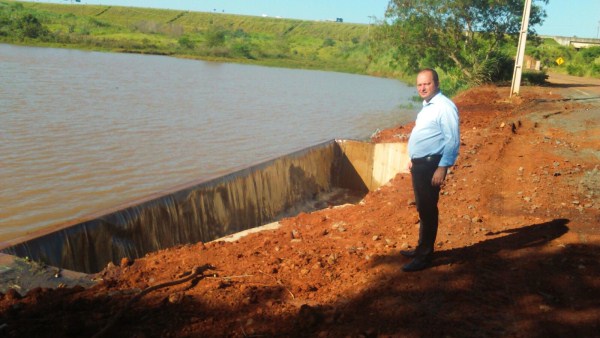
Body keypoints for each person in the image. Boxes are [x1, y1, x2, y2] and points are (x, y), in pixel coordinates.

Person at [402, 68, 460, 272]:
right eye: (419, 84)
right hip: (420, 164)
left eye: (426, 83)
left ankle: (424, 256)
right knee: (422, 207)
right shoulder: (427, 105)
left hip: (431, 165)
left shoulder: (444, 106)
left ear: (436, 83)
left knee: (427, 210)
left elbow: (452, 139)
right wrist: (413, 158)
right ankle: (420, 249)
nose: (422, 88)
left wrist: (442, 167)